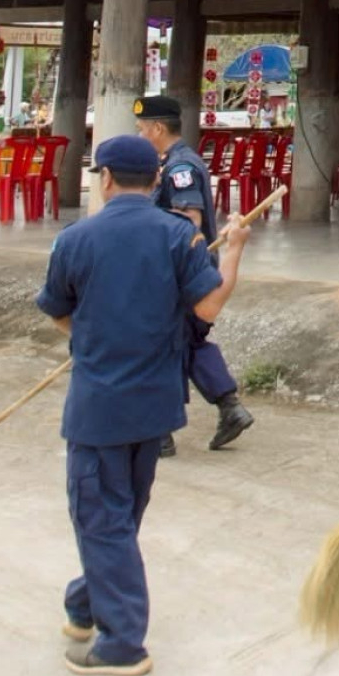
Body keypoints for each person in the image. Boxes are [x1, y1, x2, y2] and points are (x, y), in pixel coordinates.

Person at [37, 134, 250, 676]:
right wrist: (234, 251)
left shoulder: (75, 240)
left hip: (100, 404)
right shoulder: (179, 237)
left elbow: (59, 312)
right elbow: (208, 305)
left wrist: (92, 337)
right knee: (120, 513)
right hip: (155, 404)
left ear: (105, 178)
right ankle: (86, 604)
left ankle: (123, 642)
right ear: (155, 181)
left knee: (99, 516)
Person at [132, 94, 254, 454]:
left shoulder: (180, 168)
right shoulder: (169, 163)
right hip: (183, 271)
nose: (140, 136)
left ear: (157, 128)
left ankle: (161, 431)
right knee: (189, 342)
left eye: (141, 130)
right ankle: (229, 408)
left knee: (161, 346)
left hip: (182, 273)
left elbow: (188, 222)